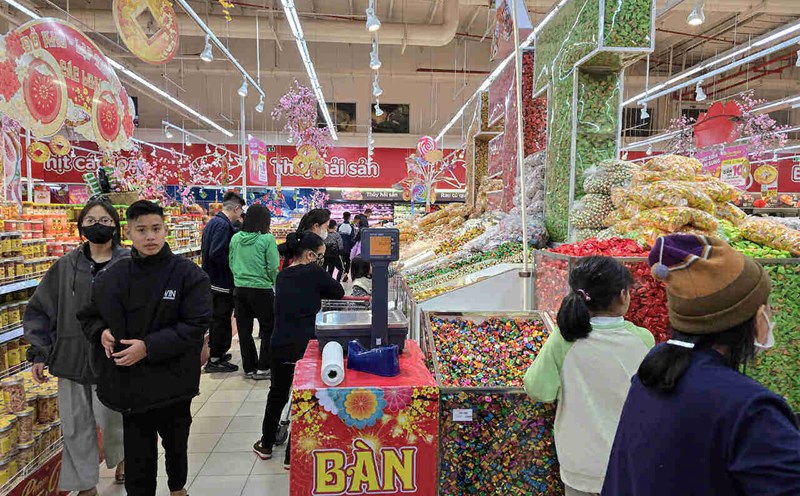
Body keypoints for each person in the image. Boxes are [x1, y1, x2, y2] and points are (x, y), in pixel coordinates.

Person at [602, 235, 800, 496]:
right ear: (749, 319)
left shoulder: (654, 371)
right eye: (765, 308)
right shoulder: (752, 409)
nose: (769, 317)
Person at [79, 200, 212, 496]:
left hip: (174, 381)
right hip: (131, 386)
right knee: (139, 456)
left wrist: (148, 347)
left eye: (155, 229)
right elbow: (89, 315)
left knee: (176, 442)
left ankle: (178, 488)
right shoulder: (112, 277)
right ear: (128, 233)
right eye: (141, 230)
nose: (149, 236)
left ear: (165, 230)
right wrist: (101, 332)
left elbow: (196, 324)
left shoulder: (188, 275)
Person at [524, 256, 653, 496]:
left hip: (579, 463)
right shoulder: (643, 340)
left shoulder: (564, 339)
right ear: (623, 295)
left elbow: (539, 389)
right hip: (628, 460)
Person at [24, 199, 128, 496]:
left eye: (105, 220)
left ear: (116, 225)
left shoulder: (128, 263)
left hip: (114, 358)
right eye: (92, 219)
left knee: (114, 418)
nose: (98, 225)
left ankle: (122, 457)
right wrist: (40, 351)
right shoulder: (65, 266)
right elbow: (40, 308)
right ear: (81, 226)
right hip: (70, 356)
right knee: (75, 424)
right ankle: (85, 483)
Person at [254, 232, 344, 466]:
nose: (322, 260)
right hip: (306, 345)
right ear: (310, 254)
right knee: (303, 395)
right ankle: (291, 455)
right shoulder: (314, 271)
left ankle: (265, 443)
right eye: (320, 256)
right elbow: (338, 291)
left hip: (280, 342)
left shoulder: (282, 276)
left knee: (277, 394)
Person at [229, 205, 280, 381]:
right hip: (262, 289)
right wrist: (274, 282)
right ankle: (264, 367)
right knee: (268, 328)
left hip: (240, 289)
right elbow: (273, 266)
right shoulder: (267, 239)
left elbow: (231, 261)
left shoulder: (235, 238)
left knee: (244, 330)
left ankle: (249, 367)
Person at [200, 191, 244, 373]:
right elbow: (216, 252)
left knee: (220, 319)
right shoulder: (222, 226)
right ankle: (215, 359)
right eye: (240, 211)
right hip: (220, 282)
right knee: (221, 319)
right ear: (236, 208)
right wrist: (234, 265)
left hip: (212, 280)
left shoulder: (214, 222)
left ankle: (218, 354)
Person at [337, 212, 354, 281]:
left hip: (340, 247)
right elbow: (352, 239)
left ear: (343, 217)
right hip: (347, 248)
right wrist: (351, 247)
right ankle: (346, 273)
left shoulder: (339, 226)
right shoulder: (351, 227)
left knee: (341, 261)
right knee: (347, 261)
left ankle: (341, 274)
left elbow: (337, 236)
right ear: (349, 217)